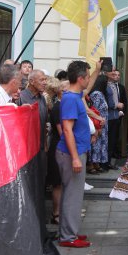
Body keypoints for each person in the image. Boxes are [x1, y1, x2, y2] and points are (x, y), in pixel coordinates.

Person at [55, 60, 97, 248]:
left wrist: (97, 70)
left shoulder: (75, 94)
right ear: (80, 79)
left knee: (70, 195)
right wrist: (74, 157)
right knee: (73, 197)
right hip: (71, 153)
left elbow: (88, 88)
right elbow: (67, 130)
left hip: (75, 152)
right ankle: (68, 237)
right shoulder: (71, 99)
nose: (89, 79)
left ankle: (67, 232)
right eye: (87, 76)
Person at [46, 78, 69, 224]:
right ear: (61, 91)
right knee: (58, 183)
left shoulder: (63, 105)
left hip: (63, 146)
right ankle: (56, 213)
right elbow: (62, 133)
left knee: (63, 182)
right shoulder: (57, 108)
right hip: (58, 147)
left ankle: (62, 211)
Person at [88, 75, 109, 173]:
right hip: (98, 124)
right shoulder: (97, 94)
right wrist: (98, 126)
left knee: (99, 144)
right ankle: (91, 165)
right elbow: (95, 111)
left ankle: (96, 163)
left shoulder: (101, 93)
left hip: (102, 123)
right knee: (95, 144)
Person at [106, 69, 125, 166]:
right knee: (109, 140)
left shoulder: (118, 86)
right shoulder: (106, 85)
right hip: (109, 117)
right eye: (113, 72)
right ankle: (107, 163)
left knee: (113, 139)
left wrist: (121, 111)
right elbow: (110, 102)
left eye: (117, 74)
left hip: (116, 116)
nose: (115, 75)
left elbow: (124, 100)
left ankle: (109, 162)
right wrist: (117, 105)